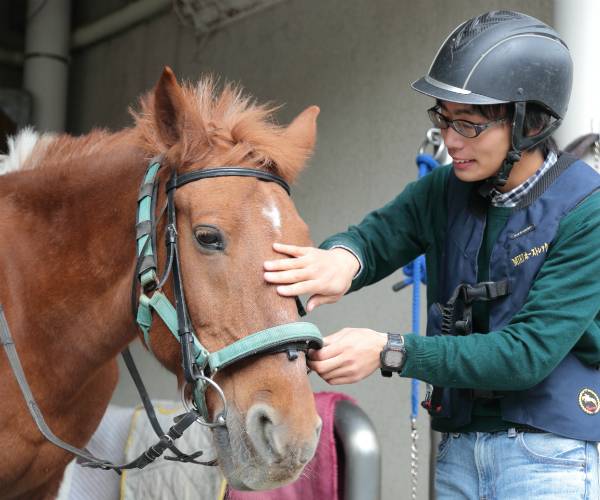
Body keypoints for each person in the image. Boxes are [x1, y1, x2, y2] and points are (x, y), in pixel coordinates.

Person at [264, 11, 600, 499]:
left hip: (548, 453)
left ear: (530, 122)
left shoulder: (587, 210)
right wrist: (342, 260)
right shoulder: (443, 190)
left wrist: (389, 349)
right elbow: (377, 237)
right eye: (443, 118)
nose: (450, 140)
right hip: (458, 450)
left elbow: (526, 355)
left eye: (469, 124)